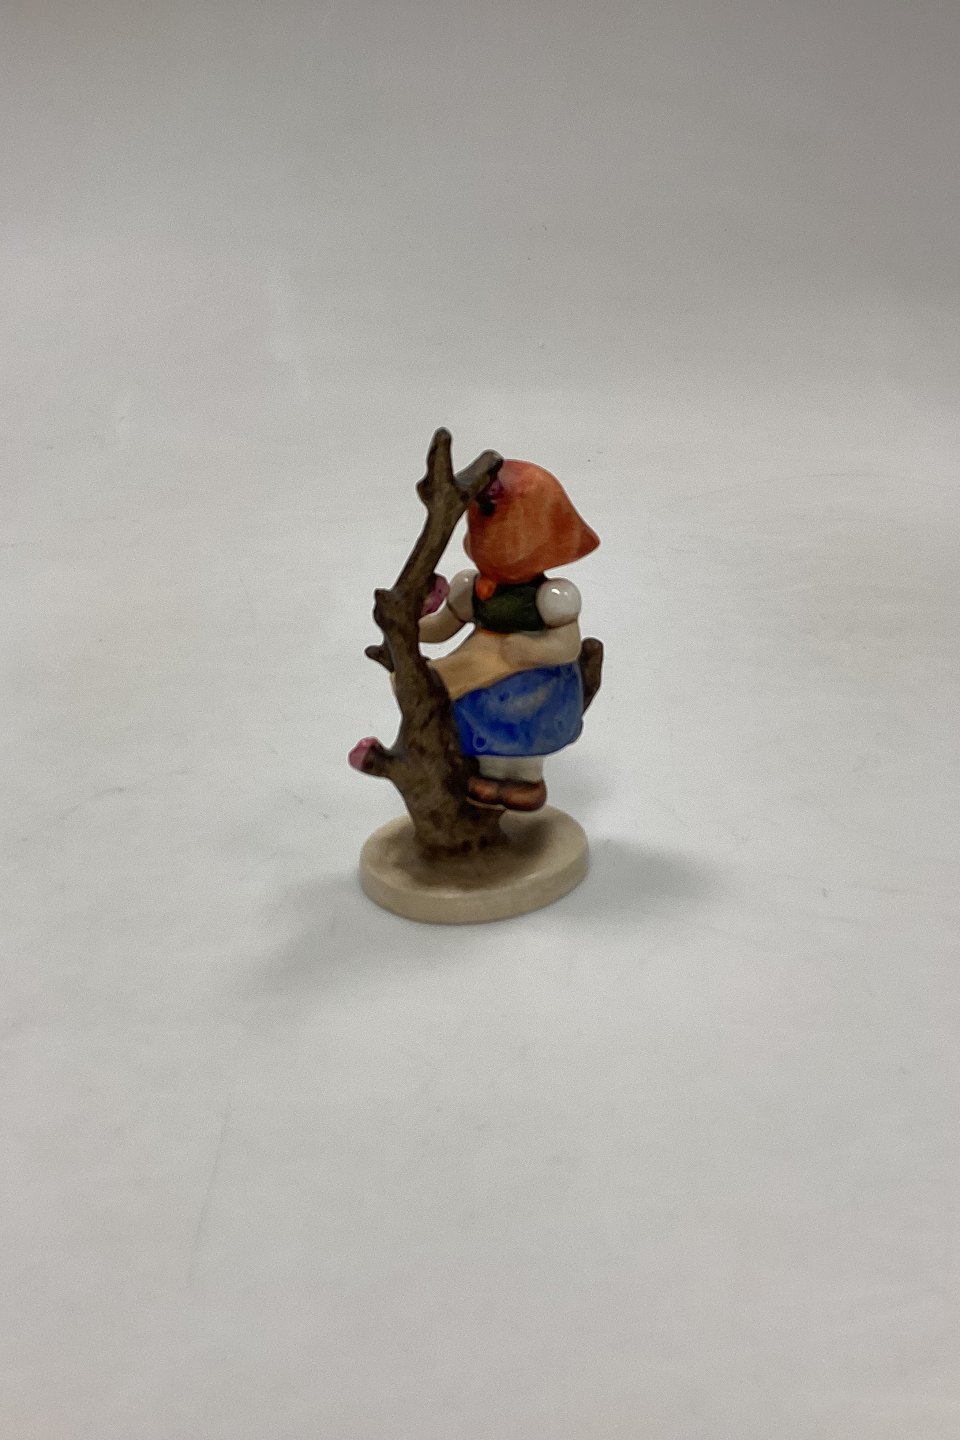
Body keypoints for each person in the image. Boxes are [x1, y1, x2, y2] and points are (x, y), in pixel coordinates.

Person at [419, 459, 599, 811]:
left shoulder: (553, 596)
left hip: (535, 680)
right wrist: (412, 625)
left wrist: (532, 649)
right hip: (479, 668)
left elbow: (567, 646)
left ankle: (527, 777)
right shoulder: (469, 586)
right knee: (475, 718)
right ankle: (490, 773)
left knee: (526, 728)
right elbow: (443, 627)